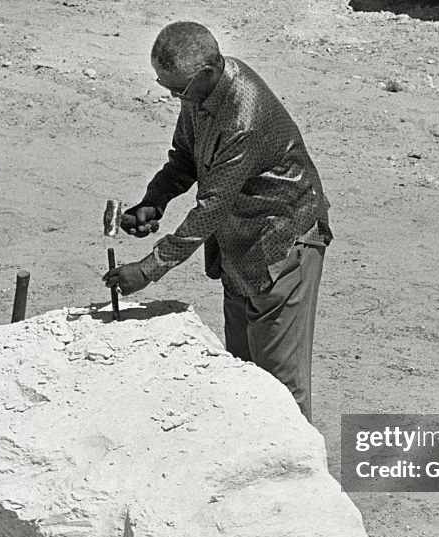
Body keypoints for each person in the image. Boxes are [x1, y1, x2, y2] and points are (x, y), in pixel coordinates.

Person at [102, 21, 332, 422]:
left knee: (279, 390)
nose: (175, 97)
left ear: (208, 72)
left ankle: (289, 478)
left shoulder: (245, 115)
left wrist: (148, 269)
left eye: (179, 89)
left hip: (281, 249)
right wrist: (153, 201)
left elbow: (211, 208)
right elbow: (185, 159)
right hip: (239, 250)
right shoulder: (199, 95)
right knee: (242, 379)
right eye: (166, 87)